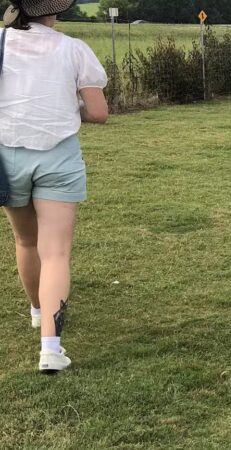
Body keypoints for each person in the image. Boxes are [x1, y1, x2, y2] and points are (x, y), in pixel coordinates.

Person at [1, 0, 108, 373]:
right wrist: (70, 107)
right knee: (56, 253)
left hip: (7, 155)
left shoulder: (1, 42)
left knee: (25, 241)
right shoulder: (74, 49)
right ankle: (50, 349)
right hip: (59, 156)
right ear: (53, 11)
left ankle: (37, 310)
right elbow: (98, 112)